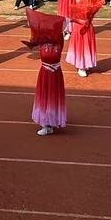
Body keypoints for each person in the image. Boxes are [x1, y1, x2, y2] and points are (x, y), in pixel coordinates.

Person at [24, 8, 67, 136]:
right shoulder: (42, 40)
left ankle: (53, 120)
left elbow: (64, 24)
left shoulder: (59, 40)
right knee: (44, 97)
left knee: (53, 97)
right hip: (45, 72)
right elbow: (33, 40)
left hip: (55, 72)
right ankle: (45, 122)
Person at [67, 0, 105, 78]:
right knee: (81, 46)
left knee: (87, 45)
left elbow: (97, 3)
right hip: (79, 26)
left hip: (87, 26)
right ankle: (81, 66)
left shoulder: (90, 2)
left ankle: (85, 63)